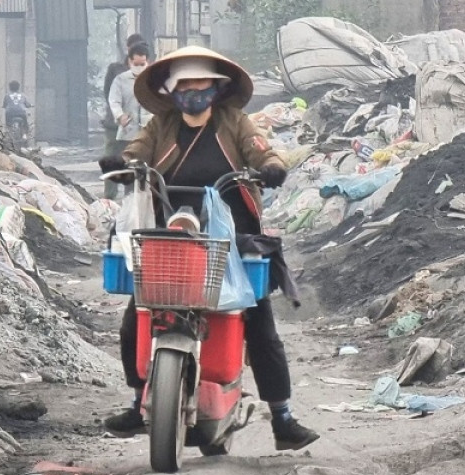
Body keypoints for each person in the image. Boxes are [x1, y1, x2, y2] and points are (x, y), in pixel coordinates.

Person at [98, 47, 319, 452]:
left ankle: (283, 417)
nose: (193, 95)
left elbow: (260, 149)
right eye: (186, 87)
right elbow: (137, 152)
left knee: (259, 323)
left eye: (201, 87)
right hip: (172, 234)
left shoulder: (235, 122)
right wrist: (124, 161)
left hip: (231, 237)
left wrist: (270, 166)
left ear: (216, 90)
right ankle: (137, 401)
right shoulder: (160, 124)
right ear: (173, 92)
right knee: (138, 316)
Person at [102, 34, 144, 200]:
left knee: (136, 161)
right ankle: (109, 196)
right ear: (128, 49)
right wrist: (119, 115)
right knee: (112, 158)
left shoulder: (148, 72)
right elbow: (109, 94)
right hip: (116, 125)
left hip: (139, 126)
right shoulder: (115, 69)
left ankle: (131, 196)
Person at [106, 41, 151, 156]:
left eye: (142, 64)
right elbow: (114, 100)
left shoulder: (154, 79)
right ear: (130, 62)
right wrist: (120, 116)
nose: (139, 67)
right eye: (136, 64)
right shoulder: (121, 80)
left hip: (150, 132)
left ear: (147, 62)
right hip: (127, 132)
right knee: (126, 165)